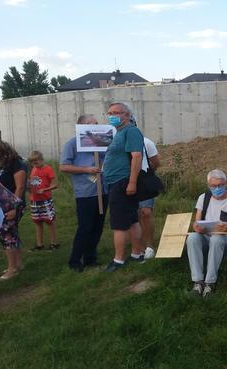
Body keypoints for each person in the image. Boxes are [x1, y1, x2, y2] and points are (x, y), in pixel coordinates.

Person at [60, 114, 109, 272]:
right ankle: (75, 261)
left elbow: (107, 160)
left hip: (103, 190)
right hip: (85, 193)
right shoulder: (72, 144)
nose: (94, 126)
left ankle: (90, 258)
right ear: (80, 126)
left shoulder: (101, 142)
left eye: (96, 123)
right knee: (85, 227)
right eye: (90, 123)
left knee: (98, 226)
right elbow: (64, 166)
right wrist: (86, 169)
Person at [186, 169, 227, 297]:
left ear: (225, 183)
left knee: (217, 239)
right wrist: (197, 227)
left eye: (220, 185)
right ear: (208, 185)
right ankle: (198, 281)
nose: (217, 188)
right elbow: (196, 222)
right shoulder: (203, 198)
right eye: (214, 186)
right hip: (207, 237)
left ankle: (210, 283)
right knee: (192, 237)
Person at [102, 101, 146, 272]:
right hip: (116, 182)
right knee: (132, 219)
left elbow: (136, 157)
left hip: (122, 182)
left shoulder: (131, 131)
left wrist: (132, 182)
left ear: (127, 115)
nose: (113, 115)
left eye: (117, 112)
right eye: (110, 113)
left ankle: (118, 260)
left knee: (119, 224)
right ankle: (137, 254)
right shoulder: (118, 133)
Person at [0, 141, 28, 280]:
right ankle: (18, 264)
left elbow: (19, 188)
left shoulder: (17, 164)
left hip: (12, 207)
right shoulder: (1, 165)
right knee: (12, 233)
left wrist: (14, 208)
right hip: (1, 206)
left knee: (5, 234)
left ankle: (12, 269)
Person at [27, 150, 59, 251]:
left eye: (36, 162)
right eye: (32, 163)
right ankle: (39, 244)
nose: (34, 165)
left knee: (49, 221)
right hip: (34, 200)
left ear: (41, 160)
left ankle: (54, 243)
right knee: (37, 222)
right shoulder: (33, 169)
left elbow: (55, 184)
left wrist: (44, 189)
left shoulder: (48, 169)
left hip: (45, 199)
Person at [138, 136, 161, 259]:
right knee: (135, 216)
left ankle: (150, 246)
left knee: (146, 213)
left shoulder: (147, 143)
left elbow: (156, 162)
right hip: (126, 182)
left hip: (144, 182)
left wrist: (145, 173)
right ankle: (139, 247)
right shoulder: (120, 141)